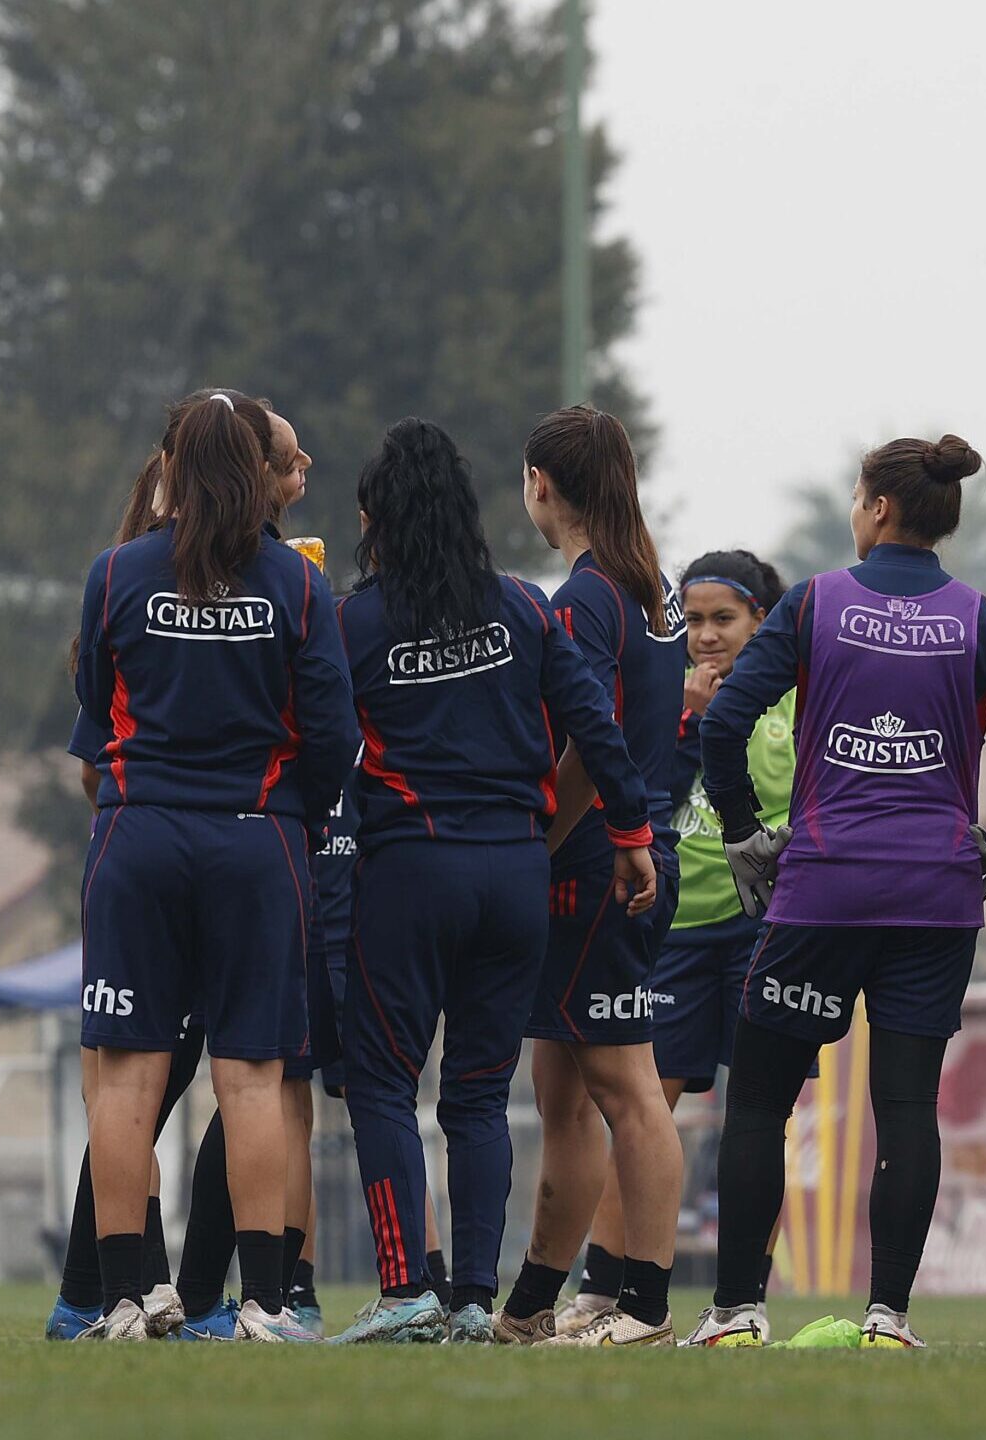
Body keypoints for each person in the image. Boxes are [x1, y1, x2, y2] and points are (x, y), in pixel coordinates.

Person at [693, 434, 986, 1349]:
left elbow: (724, 725)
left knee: (757, 1104)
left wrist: (748, 834)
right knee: (905, 1111)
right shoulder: (983, 618)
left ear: (875, 510)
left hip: (821, 894)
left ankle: (734, 1316)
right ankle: (888, 1321)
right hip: (936, 899)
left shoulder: (816, 603)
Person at [329, 418, 659, 1344]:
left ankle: (406, 1294)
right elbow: (596, 725)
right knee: (477, 1093)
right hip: (518, 875)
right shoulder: (523, 606)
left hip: (410, 872)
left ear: (374, 520)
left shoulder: (354, 622)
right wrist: (630, 833)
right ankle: (475, 1298)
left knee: (385, 1082)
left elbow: (318, 745)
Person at [65, 392, 357, 1343]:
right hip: (257, 841)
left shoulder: (115, 575)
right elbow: (334, 736)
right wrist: (290, 816)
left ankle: (119, 1299)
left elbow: (96, 706)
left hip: (137, 837)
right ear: (254, 469)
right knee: (254, 1080)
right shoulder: (300, 586)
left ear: (172, 466)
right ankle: (268, 1305)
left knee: (124, 1082)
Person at [497, 404, 688, 1346]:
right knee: (564, 1096)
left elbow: (583, 746)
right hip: (635, 854)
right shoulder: (656, 589)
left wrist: (534, 846)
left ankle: (645, 1306)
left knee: (627, 1090)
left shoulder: (583, 598)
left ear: (541, 484)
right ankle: (534, 1305)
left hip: (603, 867)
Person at [575, 551, 796, 1311]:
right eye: (694, 620)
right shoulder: (661, 695)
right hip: (670, 936)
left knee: (760, 1118)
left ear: (761, 624)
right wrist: (686, 718)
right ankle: (603, 1292)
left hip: (763, 934)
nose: (705, 636)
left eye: (722, 620)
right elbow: (637, 794)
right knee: (642, 1115)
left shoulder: (796, 703)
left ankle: (741, 1302)